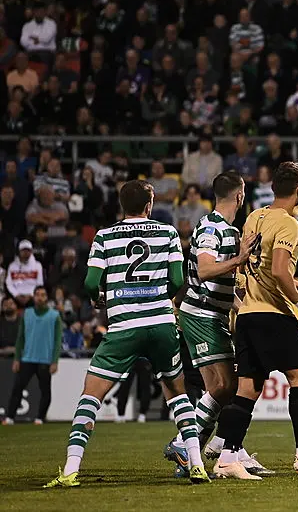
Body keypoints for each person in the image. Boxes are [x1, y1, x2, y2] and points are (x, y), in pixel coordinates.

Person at [44, 180, 210, 487]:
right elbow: (176, 280)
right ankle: (197, 464)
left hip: (123, 325)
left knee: (91, 395)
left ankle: (70, 469)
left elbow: (92, 283)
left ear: (122, 205)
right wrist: (158, 299)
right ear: (149, 205)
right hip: (161, 324)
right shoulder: (168, 232)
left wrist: (102, 299)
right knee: (177, 393)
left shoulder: (104, 235)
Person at [213, 162, 298, 478]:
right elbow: (279, 269)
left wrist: (291, 280)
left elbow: (252, 267)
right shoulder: (289, 223)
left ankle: (227, 456)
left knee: (248, 388)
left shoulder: (255, 217)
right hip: (274, 315)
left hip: (248, 314)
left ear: (272, 189)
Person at [163, 172, 269, 480]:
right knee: (224, 386)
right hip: (200, 315)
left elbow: (220, 285)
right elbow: (207, 270)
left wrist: (243, 305)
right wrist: (240, 259)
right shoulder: (213, 227)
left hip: (213, 313)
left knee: (225, 387)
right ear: (239, 196)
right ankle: (186, 443)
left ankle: (219, 446)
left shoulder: (225, 228)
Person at [3, 286, 60, 425]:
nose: (40, 297)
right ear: (34, 297)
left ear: (46, 298)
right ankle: (10, 417)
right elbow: (20, 338)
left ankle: (40, 417)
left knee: (45, 391)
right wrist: (17, 358)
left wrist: (55, 361)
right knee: (17, 388)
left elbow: (57, 340)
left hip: (45, 359)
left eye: (42, 295)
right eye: (37, 295)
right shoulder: (26, 314)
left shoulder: (55, 316)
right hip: (28, 358)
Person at [5, 240, 44, 308]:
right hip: (16, 297)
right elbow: (9, 283)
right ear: (19, 251)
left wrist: (30, 295)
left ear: (31, 251)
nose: (26, 252)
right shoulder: (12, 266)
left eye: (28, 250)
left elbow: (39, 283)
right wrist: (16, 295)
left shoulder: (37, 265)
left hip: (32, 297)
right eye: (23, 250)